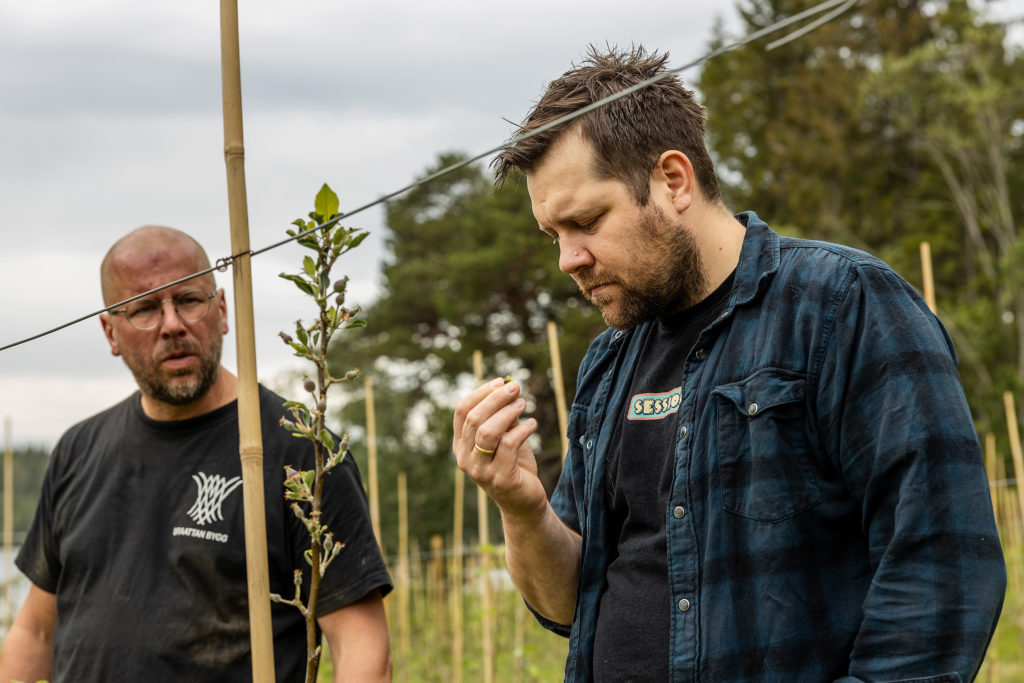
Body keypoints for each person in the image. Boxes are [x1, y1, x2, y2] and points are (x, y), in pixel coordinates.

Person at [452, 46, 1006, 682]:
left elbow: (943, 569)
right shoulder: (608, 362)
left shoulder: (843, 305)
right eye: (554, 236)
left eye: (586, 221)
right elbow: (566, 606)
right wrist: (521, 507)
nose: (568, 260)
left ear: (674, 180)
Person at [0, 226, 393, 682]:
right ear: (110, 332)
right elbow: (35, 632)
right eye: (145, 308)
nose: (172, 324)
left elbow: (361, 646)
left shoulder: (300, 448)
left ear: (223, 310)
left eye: (189, 300)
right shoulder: (77, 450)